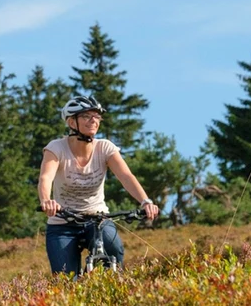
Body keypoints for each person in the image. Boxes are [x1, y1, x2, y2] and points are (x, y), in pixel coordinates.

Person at [38, 95, 160, 276]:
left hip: (97, 219)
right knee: (64, 278)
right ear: (72, 122)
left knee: (114, 248)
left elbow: (126, 176)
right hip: (62, 222)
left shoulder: (105, 148)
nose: (94, 120)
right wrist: (47, 201)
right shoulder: (56, 148)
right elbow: (45, 178)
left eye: (97, 116)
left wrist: (145, 201)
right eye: (87, 116)